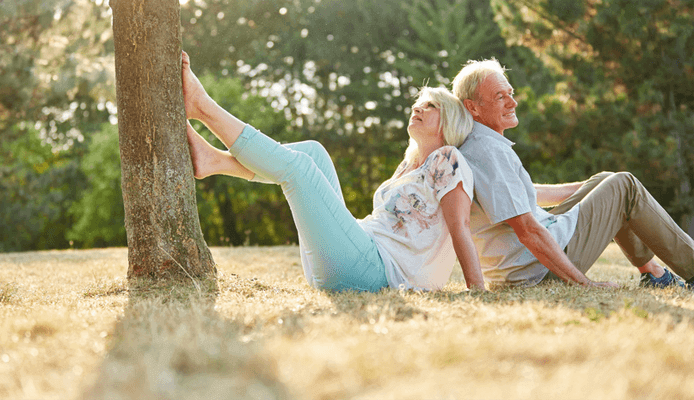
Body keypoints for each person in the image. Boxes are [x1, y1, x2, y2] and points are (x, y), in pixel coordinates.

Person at [180, 51, 485, 292]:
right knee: (312, 152)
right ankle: (216, 162)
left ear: (450, 123)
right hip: (356, 257)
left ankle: (203, 107)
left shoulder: (448, 159)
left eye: (431, 106)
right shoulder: (411, 163)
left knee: (300, 168)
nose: (418, 108)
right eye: (418, 104)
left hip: (378, 272)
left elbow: (460, 226)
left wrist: (477, 291)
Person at [450, 58, 694, 289]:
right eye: (500, 97)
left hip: (530, 261)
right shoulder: (487, 150)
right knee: (625, 185)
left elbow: (523, 195)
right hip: (537, 268)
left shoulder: (480, 145)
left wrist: (597, 190)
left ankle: (654, 273)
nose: (512, 103)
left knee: (607, 180)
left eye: (511, 94)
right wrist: (583, 283)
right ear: (473, 107)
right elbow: (526, 229)